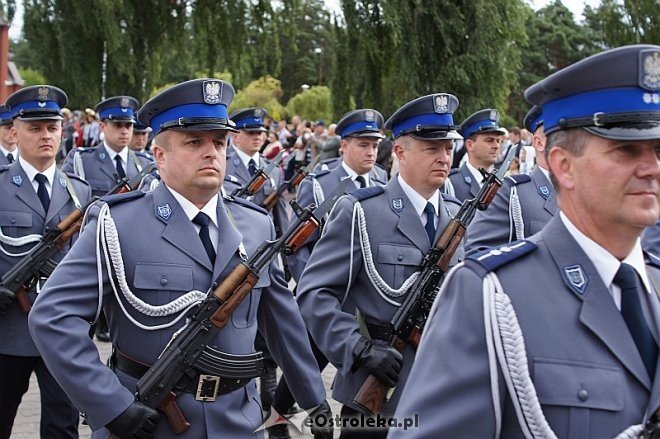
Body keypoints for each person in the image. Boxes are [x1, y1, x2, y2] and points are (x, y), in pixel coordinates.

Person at [28, 78, 331, 439]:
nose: (211, 152)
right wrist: (110, 405)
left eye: (219, 142)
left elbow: (284, 326)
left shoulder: (256, 225)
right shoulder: (118, 223)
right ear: (160, 155)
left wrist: (315, 401)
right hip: (152, 423)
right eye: (194, 142)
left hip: (240, 422)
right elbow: (52, 316)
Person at [392, 44, 660, 438]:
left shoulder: (653, 285)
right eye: (626, 149)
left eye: (658, 149)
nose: (651, 167)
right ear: (563, 165)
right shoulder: (490, 297)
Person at [296, 93, 465, 438]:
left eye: (448, 148)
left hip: (442, 391)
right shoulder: (361, 211)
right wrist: (356, 347)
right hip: (379, 391)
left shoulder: (457, 215)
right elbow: (314, 293)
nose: (444, 157)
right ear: (401, 152)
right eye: (432, 148)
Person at [0, 85, 92, 439]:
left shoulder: (78, 190)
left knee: (62, 425)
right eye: (35, 128)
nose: (46, 136)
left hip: (60, 332)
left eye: (52, 128)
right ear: (14, 132)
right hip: (7, 331)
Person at [287, 108, 387, 282]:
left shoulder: (382, 179)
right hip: (332, 287)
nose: (371, 152)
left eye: (375, 146)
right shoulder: (318, 185)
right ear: (344, 146)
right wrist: (311, 290)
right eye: (363, 145)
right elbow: (296, 245)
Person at [465, 105, 556, 253]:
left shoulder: (587, 192)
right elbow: (477, 254)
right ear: (539, 143)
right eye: (562, 134)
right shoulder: (512, 192)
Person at [62, 96, 154, 198]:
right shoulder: (81, 160)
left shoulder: (146, 163)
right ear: (102, 126)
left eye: (128, 125)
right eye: (118, 125)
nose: (124, 131)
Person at [224, 107, 289, 237]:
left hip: (266, 243)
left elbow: (280, 217)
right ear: (235, 135)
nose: (257, 137)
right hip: (235, 240)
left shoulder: (273, 170)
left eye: (259, 133)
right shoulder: (223, 165)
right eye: (251, 133)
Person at [446, 108, 505, 202]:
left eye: (498, 141)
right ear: (470, 145)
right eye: (489, 140)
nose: (496, 146)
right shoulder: (452, 183)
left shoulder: (503, 184)